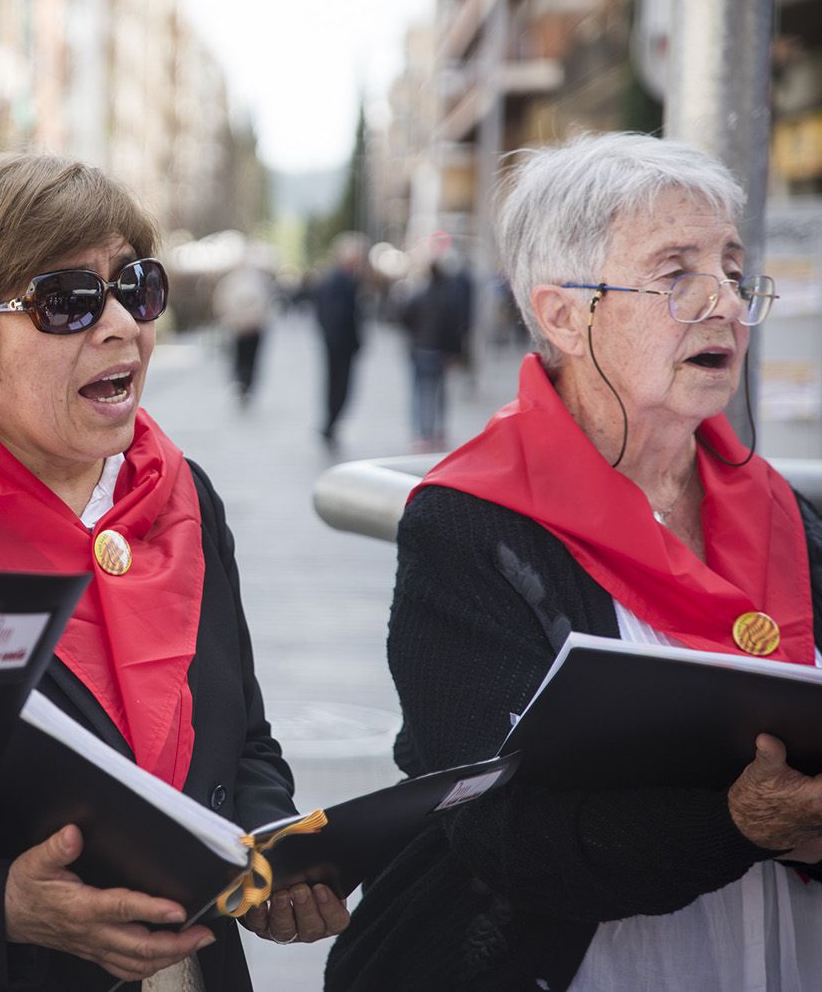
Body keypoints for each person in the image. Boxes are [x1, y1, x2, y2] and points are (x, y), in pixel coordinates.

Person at [0, 153, 349, 992]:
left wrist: (271, 853)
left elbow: (246, 741)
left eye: (136, 286)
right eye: (68, 302)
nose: (120, 325)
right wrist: (0, 906)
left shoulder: (187, 498)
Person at [325, 133, 822, 991]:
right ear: (563, 314)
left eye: (733, 271)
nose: (727, 306)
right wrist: (736, 824)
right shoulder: (469, 528)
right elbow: (500, 832)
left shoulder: (787, 511)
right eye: (676, 275)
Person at [398, 256, 472, 451]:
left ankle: (422, 433)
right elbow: (457, 328)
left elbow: (404, 318)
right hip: (440, 352)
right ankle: (438, 430)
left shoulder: (418, 295)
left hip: (421, 350)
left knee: (421, 393)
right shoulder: (449, 299)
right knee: (440, 393)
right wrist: (456, 353)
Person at [313, 233, 366, 447]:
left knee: (336, 386)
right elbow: (336, 315)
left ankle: (331, 424)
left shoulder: (339, 279)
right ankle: (330, 424)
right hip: (339, 345)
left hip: (337, 344)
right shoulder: (340, 281)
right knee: (338, 386)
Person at [211, 250, 276, 407]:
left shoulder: (258, 281)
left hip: (254, 327)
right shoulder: (230, 282)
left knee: (252, 358)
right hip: (237, 327)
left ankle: (248, 384)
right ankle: (241, 382)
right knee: (239, 358)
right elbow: (221, 302)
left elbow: (266, 303)